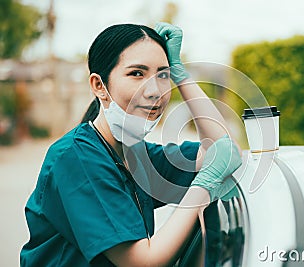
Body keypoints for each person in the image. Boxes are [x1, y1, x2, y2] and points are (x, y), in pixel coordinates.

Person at [20, 22, 242, 267]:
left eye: (163, 75)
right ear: (98, 86)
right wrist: (205, 185)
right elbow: (142, 262)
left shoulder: (135, 155)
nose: (154, 90)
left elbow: (221, 149)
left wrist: (181, 74)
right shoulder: (75, 158)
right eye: (137, 73)